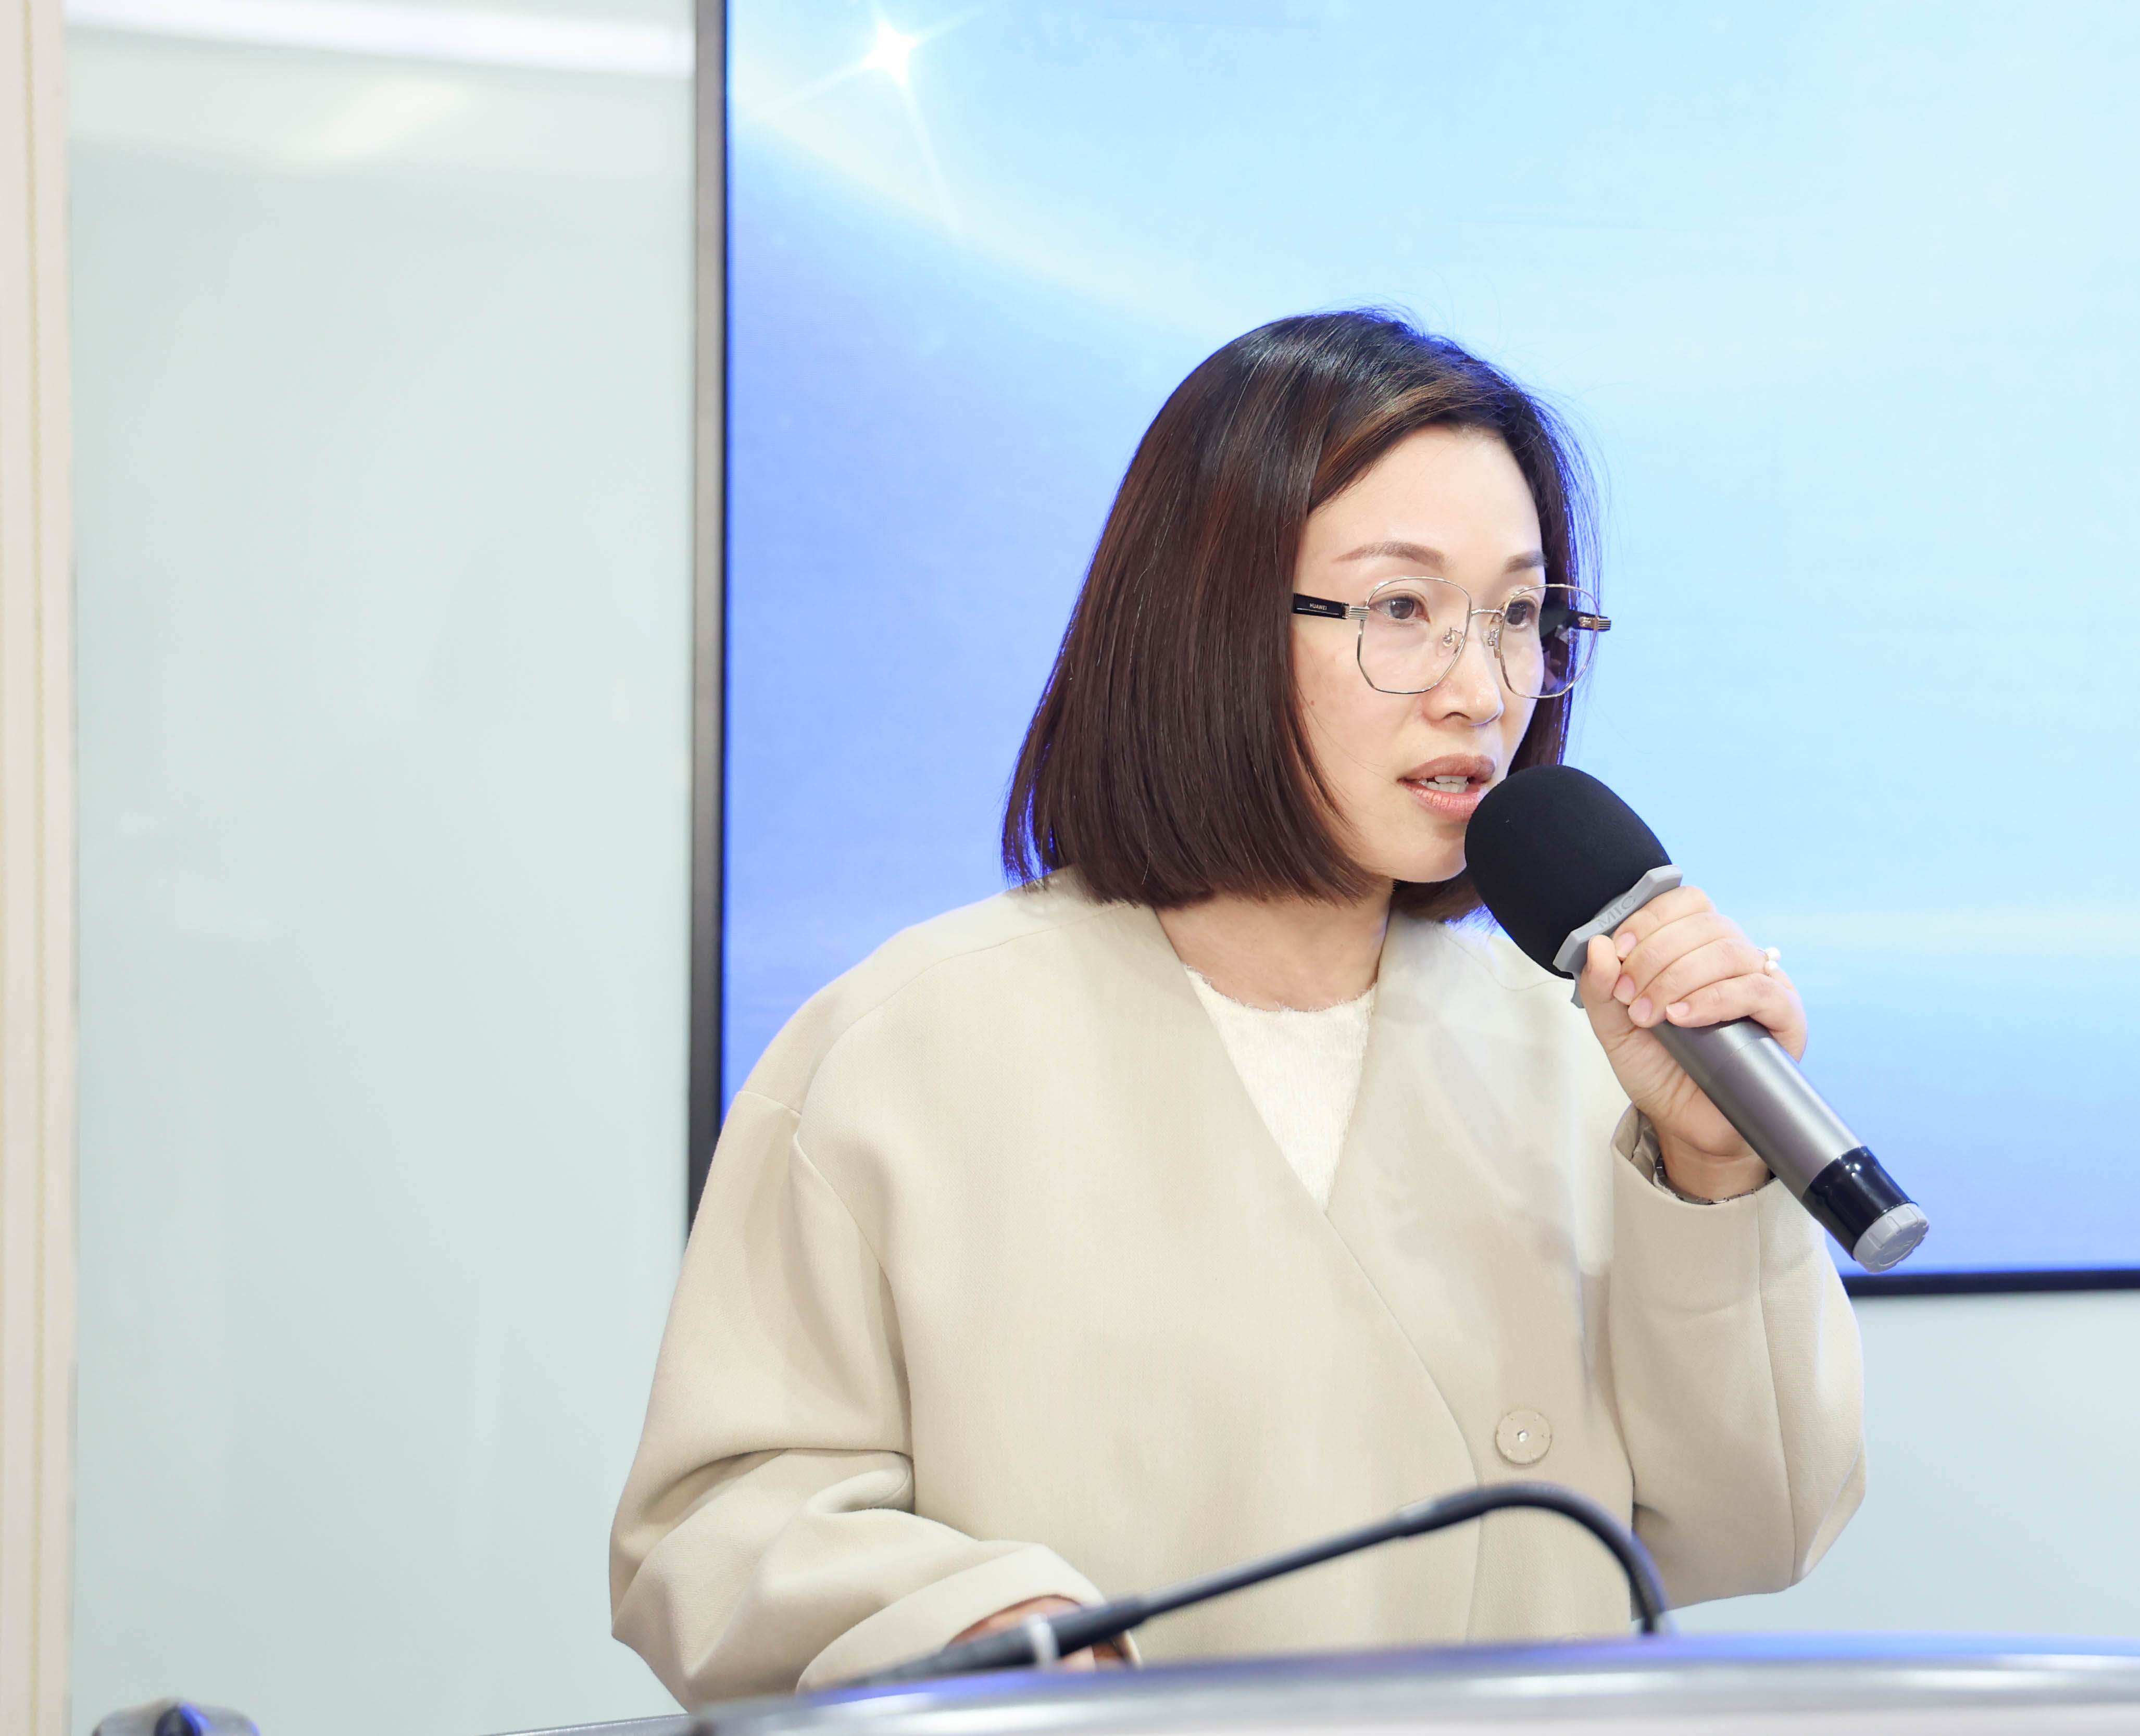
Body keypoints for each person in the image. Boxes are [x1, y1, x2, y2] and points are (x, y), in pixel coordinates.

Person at [609, 310, 1866, 1708]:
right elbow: (716, 1532)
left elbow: (1760, 1529)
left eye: (1519, 617)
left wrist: (1710, 1171)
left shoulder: (1588, 1046)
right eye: (1402, 609)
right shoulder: (907, 1046)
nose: (1481, 690)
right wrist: (979, 1618)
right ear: (1208, 621)